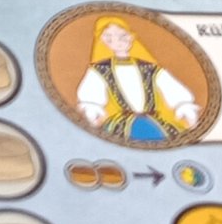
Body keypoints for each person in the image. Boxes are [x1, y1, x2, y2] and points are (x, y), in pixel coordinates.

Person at [72, 16, 200, 145]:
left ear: (131, 37)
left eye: (123, 36)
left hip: (154, 121)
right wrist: (93, 113)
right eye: (110, 37)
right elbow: (91, 97)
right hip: (122, 125)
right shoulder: (101, 70)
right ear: (104, 41)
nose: (118, 41)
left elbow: (171, 88)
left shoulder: (149, 68)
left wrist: (184, 107)